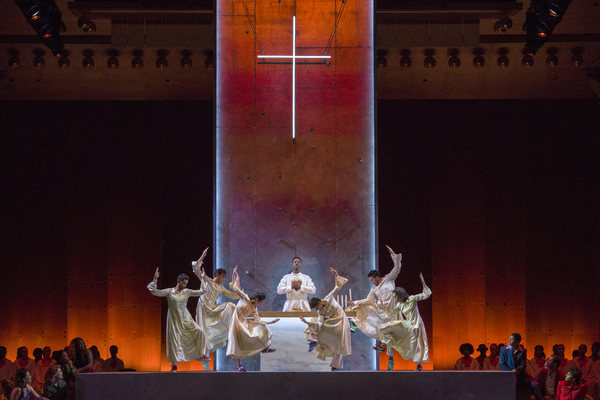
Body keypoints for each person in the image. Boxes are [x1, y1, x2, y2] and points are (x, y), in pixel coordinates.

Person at [347, 245, 402, 369]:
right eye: (370, 280)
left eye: (372, 280)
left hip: (393, 311)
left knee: (391, 335)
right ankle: (354, 323)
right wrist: (355, 302)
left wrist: (394, 255)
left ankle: (390, 358)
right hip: (382, 311)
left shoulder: (388, 279)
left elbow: (397, 267)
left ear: (378, 277)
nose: (371, 282)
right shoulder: (374, 289)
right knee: (363, 306)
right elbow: (368, 300)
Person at [148, 266, 210, 371]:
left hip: (186, 318)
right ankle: (174, 365)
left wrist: (203, 279)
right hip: (173, 320)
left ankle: (200, 353)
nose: (185, 285)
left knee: (200, 332)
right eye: (184, 283)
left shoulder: (187, 292)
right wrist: (155, 279)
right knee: (174, 341)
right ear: (178, 281)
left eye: (186, 284)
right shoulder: (169, 292)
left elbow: (202, 291)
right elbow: (153, 291)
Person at [192, 248, 240, 367]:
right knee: (203, 330)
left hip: (212, 309)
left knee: (230, 306)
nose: (224, 280)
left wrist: (236, 283)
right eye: (223, 277)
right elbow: (196, 269)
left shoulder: (220, 288)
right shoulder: (207, 280)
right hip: (203, 308)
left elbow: (233, 295)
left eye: (225, 278)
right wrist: (203, 256)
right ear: (217, 275)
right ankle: (203, 356)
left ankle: (206, 356)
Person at [226, 266, 279, 372]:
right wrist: (233, 275)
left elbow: (257, 319)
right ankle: (239, 366)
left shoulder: (254, 307)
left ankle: (265, 347)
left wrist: (270, 322)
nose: (260, 304)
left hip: (244, 322)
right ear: (258, 299)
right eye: (261, 302)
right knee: (237, 343)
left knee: (262, 326)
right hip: (236, 321)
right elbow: (235, 288)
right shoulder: (245, 297)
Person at [376, 272, 431, 371]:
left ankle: (419, 365)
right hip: (409, 324)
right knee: (396, 327)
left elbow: (425, 295)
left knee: (417, 345)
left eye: (395, 297)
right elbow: (391, 312)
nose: (395, 299)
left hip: (416, 324)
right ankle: (383, 345)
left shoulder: (412, 299)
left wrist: (423, 283)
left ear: (400, 295)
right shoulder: (400, 305)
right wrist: (382, 305)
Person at [300, 267, 351, 372]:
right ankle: (312, 341)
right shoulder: (320, 312)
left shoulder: (328, 299)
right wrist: (306, 322)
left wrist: (336, 276)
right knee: (314, 323)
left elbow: (337, 288)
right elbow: (319, 324)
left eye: (317, 307)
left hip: (341, 320)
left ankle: (335, 366)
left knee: (340, 344)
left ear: (319, 303)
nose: (318, 309)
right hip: (331, 322)